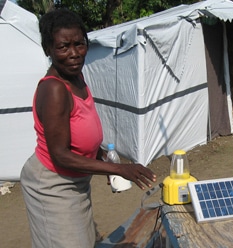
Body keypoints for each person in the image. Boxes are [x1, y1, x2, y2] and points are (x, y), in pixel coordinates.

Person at [20, 8, 156, 248]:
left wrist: (100, 154)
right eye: (63, 47)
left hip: (75, 180)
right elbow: (60, 155)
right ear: (48, 50)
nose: (74, 54)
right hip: (52, 183)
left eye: (79, 44)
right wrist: (116, 168)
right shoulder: (54, 89)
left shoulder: (77, 78)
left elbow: (78, 132)